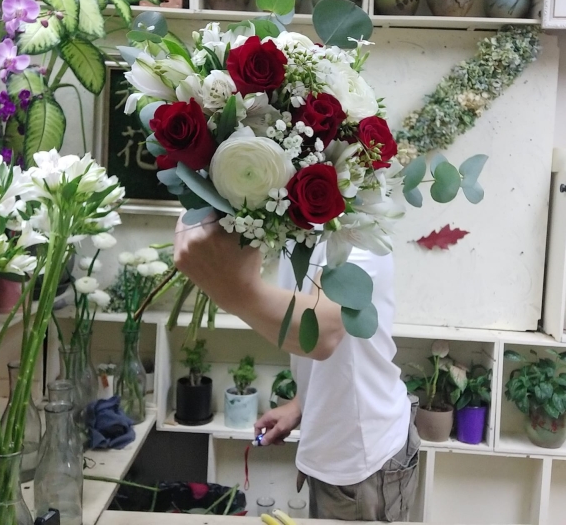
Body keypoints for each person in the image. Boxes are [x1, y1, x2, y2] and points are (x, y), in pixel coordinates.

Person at [173, 213, 419, 522]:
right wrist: (302, 403)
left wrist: (232, 288)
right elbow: (340, 346)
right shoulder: (300, 227)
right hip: (334, 448)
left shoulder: (354, 226)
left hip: (363, 457)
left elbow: (323, 331)